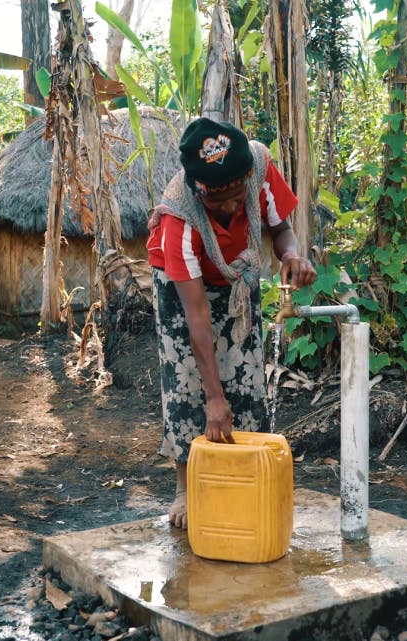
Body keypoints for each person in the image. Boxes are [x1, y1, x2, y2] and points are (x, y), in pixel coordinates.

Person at [146, 117, 316, 529]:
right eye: (217, 200)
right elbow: (197, 313)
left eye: (236, 195)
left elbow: (281, 229)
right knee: (187, 382)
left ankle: (244, 477)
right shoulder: (178, 220)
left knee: (247, 379)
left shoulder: (258, 167)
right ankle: (186, 489)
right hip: (182, 290)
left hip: (238, 275)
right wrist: (213, 397)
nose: (229, 207)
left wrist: (291, 255)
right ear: (198, 188)